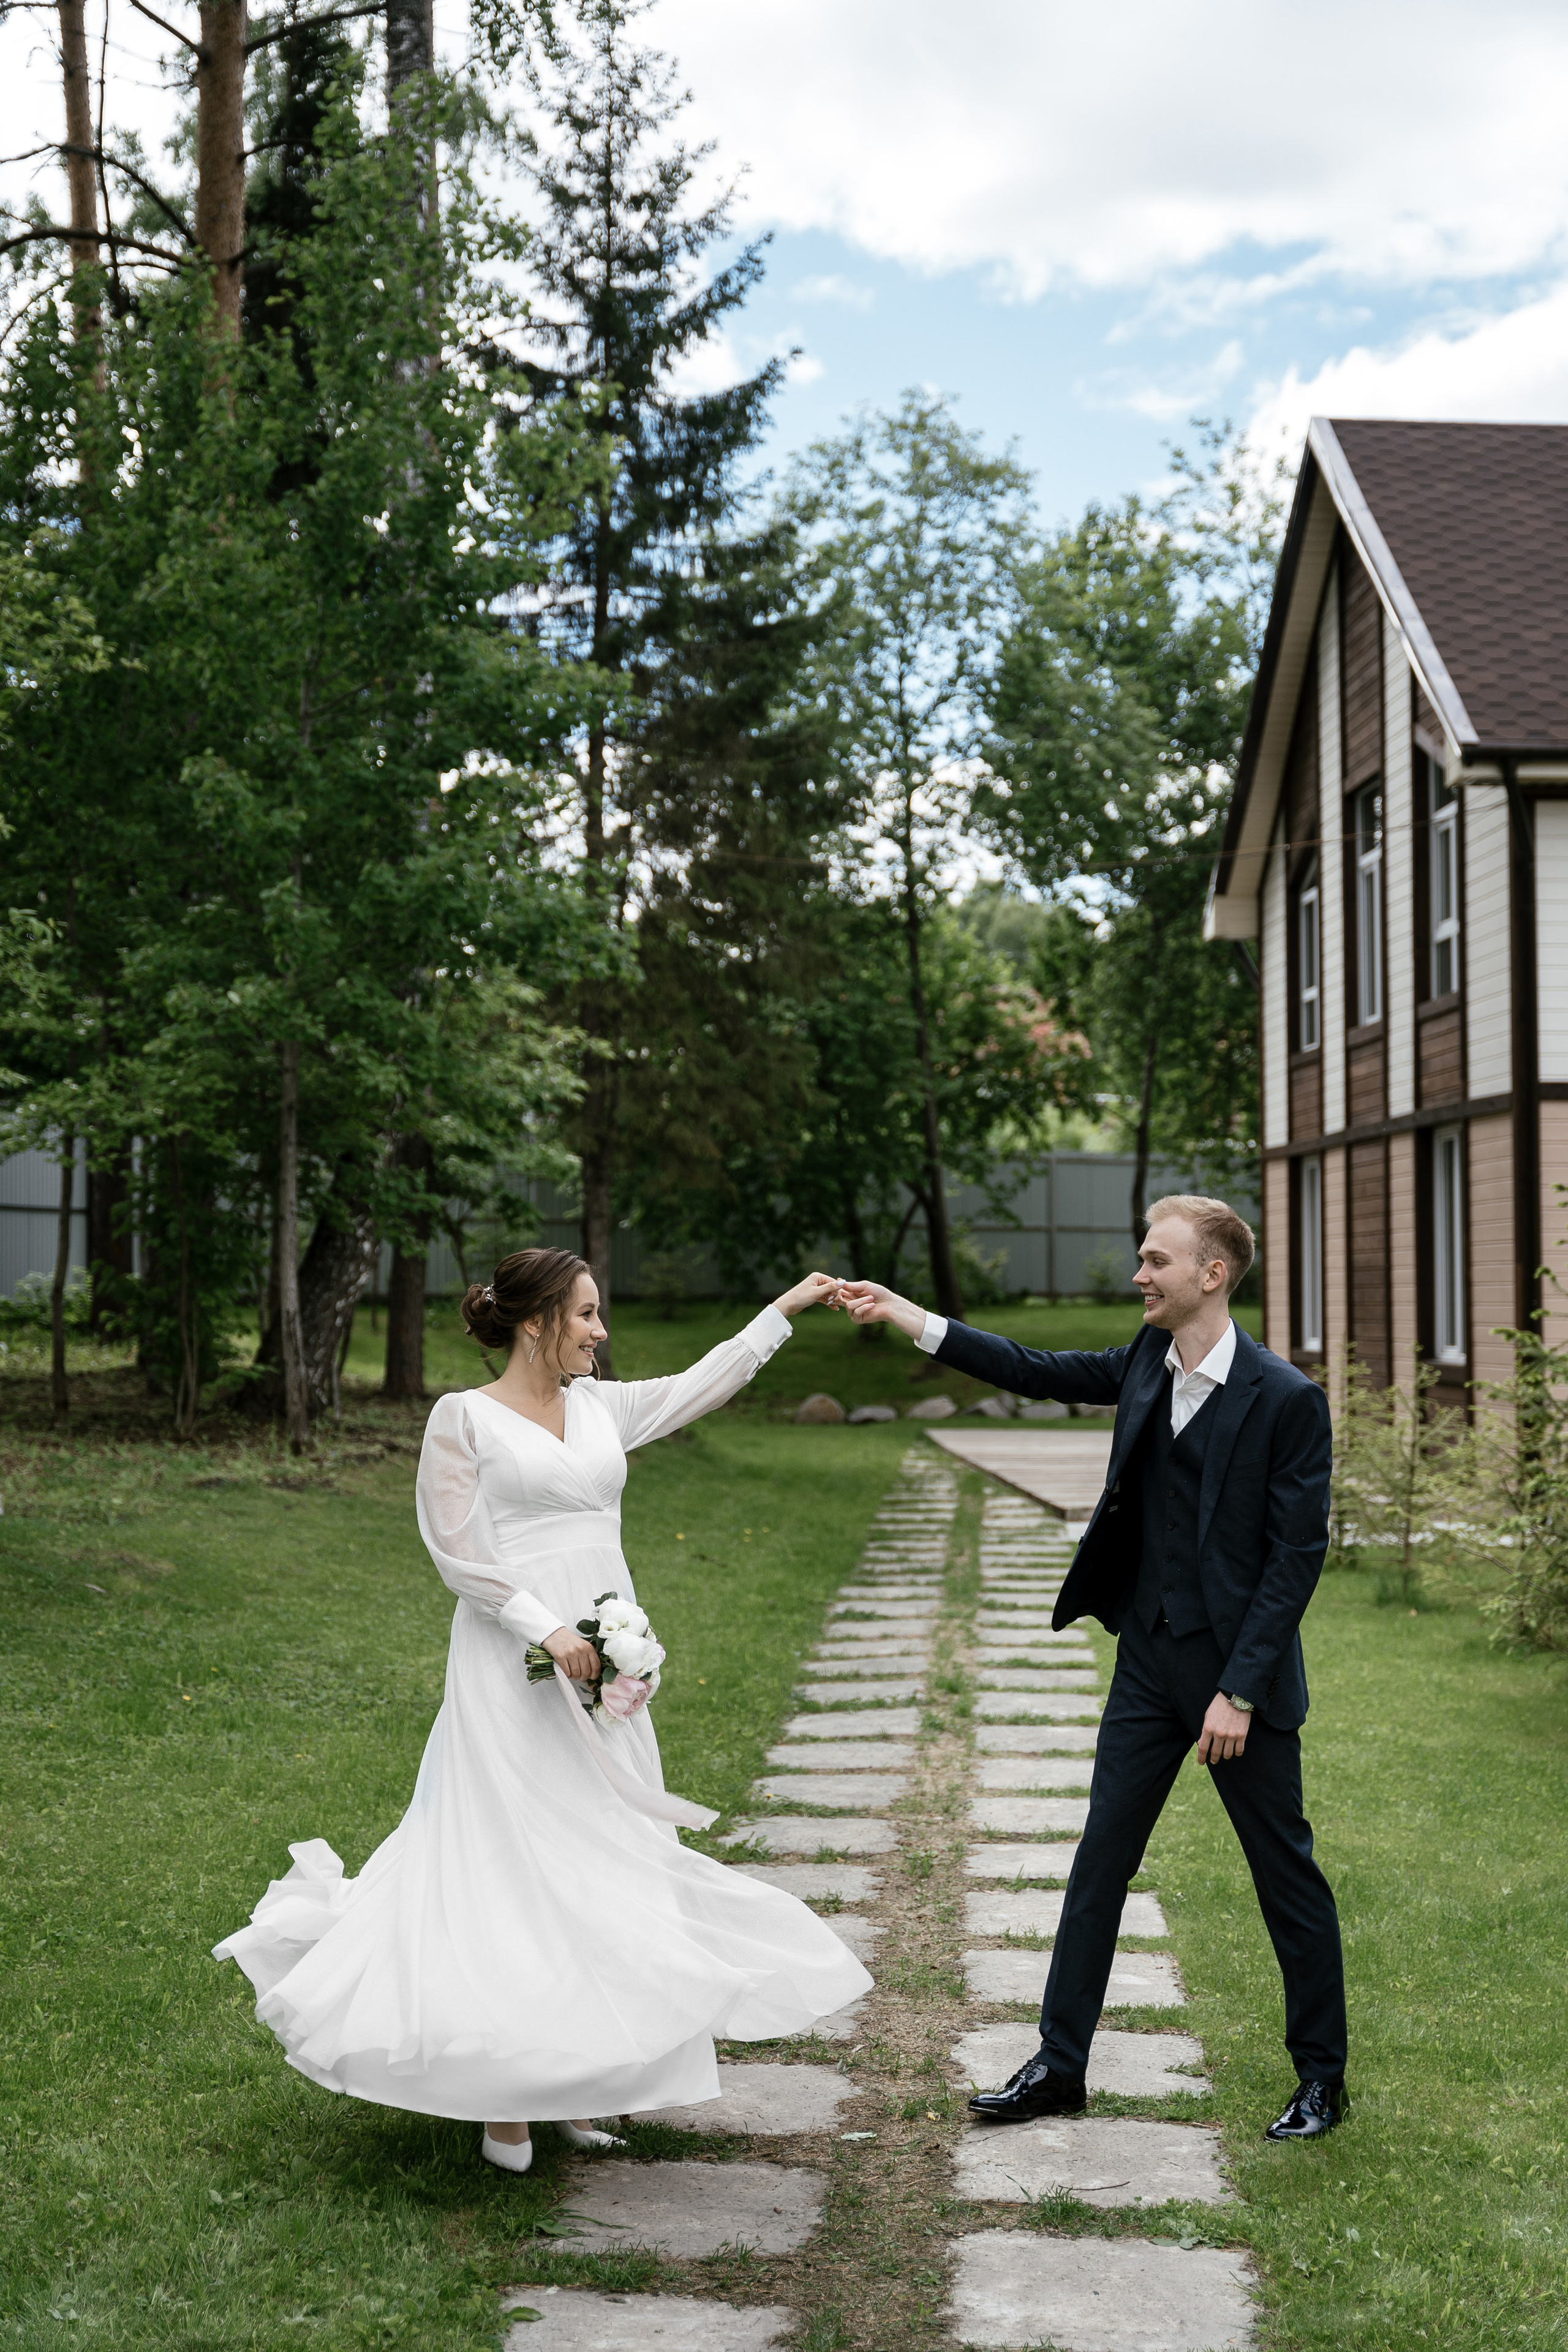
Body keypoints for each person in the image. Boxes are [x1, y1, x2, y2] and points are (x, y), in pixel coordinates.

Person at [215, 1250, 870, 2174]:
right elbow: (457, 1551)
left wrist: (786, 1307)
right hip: (509, 1660)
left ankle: (578, 2082)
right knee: (515, 1860)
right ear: (537, 1324)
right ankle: (507, 2104)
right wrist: (544, 1626)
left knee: (604, 1854)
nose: (602, 1333)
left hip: (607, 1656)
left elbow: (703, 1381)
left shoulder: (603, 1407)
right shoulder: (464, 1419)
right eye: (589, 1316)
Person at [839, 1195, 1346, 2141]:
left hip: (1240, 1683)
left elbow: (1295, 1560)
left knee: (1286, 1879)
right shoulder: (1145, 1366)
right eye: (1141, 1260)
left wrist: (1238, 1692)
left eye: (1156, 1261)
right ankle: (1059, 2066)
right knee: (1098, 1865)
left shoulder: (1285, 1399)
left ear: (1213, 1275)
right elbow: (1031, 1369)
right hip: (1149, 1664)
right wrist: (910, 1316)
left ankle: (1322, 2080)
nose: (1138, 1276)